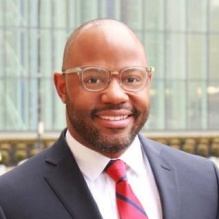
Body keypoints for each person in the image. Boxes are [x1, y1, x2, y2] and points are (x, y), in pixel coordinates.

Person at [0, 18, 218, 219]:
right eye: (94, 79)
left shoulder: (205, 180)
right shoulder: (10, 199)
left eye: (131, 78)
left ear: (148, 81)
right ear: (62, 87)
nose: (115, 95)